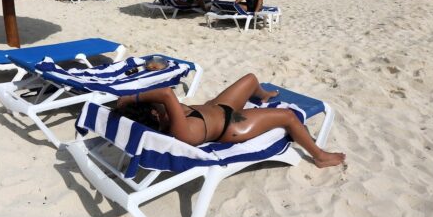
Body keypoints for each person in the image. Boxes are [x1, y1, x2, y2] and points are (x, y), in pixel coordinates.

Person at [115, 73, 345, 167]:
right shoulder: (178, 129)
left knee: (251, 78)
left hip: (219, 106)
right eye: (154, 109)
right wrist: (130, 99)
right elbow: (165, 93)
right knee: (287, 116)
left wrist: (128, 104)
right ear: (154, 116)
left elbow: (160, 96)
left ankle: (263, 95)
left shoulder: (163, 115)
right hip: (233, 124)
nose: (158, 108)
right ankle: (320, 156)